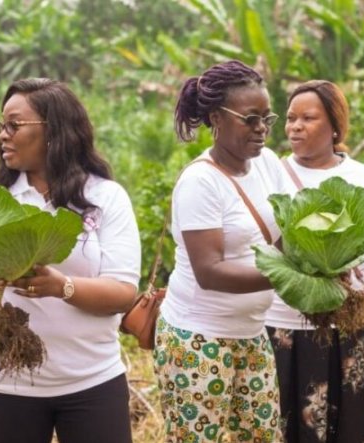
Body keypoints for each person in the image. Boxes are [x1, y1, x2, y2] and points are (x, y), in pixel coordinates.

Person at [0, 78, 141, 443]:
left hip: (91, 380)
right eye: (1, 125)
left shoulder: (104, 197)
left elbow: (123, 292)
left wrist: (61, 287)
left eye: (15, 125)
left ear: (55, 131)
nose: (3, 135)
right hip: (3, 384)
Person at [264, 80, 364, 443]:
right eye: (291, 118)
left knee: (351, 428)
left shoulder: (362, 178)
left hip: (350, 327)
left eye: (308, 118)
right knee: (286, 427)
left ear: (335, 126)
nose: (295, 126)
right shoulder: (270, 175)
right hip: (282, 328)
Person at [154, 60, 288, 442]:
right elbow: (209, 271)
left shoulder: (269, 165)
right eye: (250, 118)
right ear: (216, 117)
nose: (261, 128)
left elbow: (284, 235)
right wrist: (290, 274)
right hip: (198, 340)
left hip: (252, 334)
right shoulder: (200, 182)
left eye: (267, 117)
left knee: (261, 435)